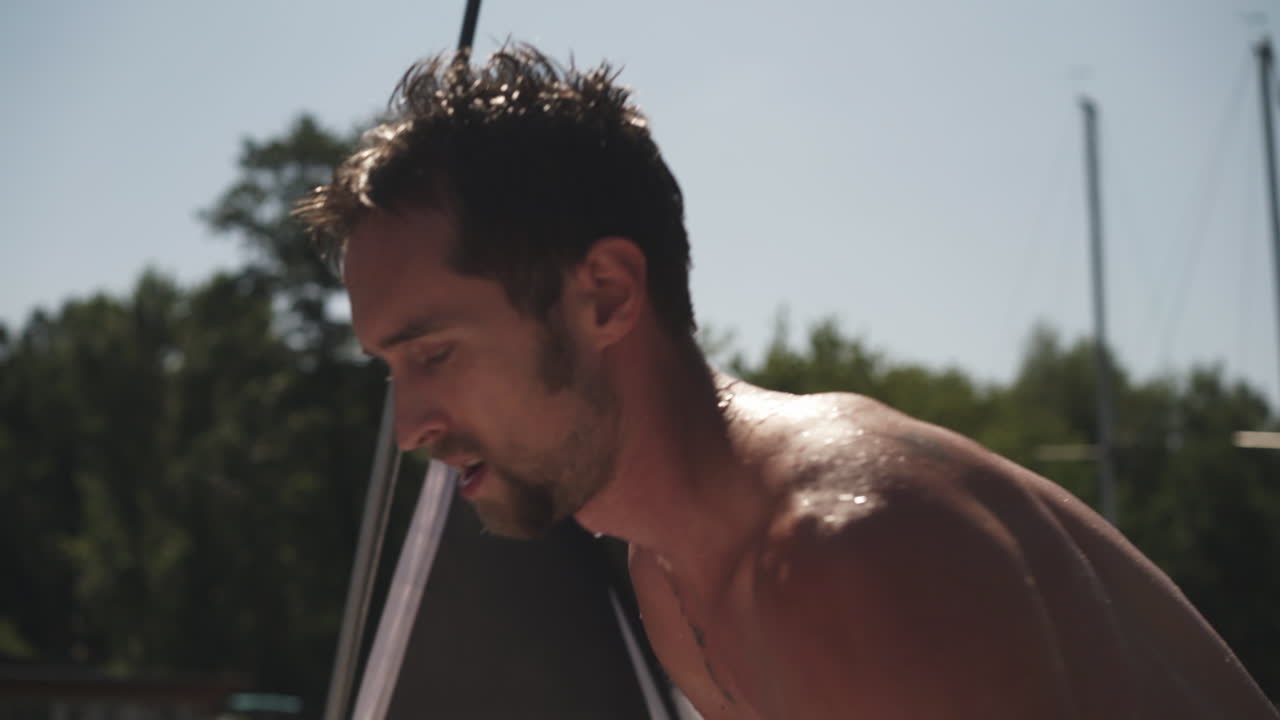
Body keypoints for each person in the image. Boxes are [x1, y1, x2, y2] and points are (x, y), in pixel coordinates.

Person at [295, 45, 1277, 720]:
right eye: (389, 370)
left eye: (432, 355)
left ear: (601, 295)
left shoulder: (841, 555)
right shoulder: (669, 570)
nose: (410, 427)